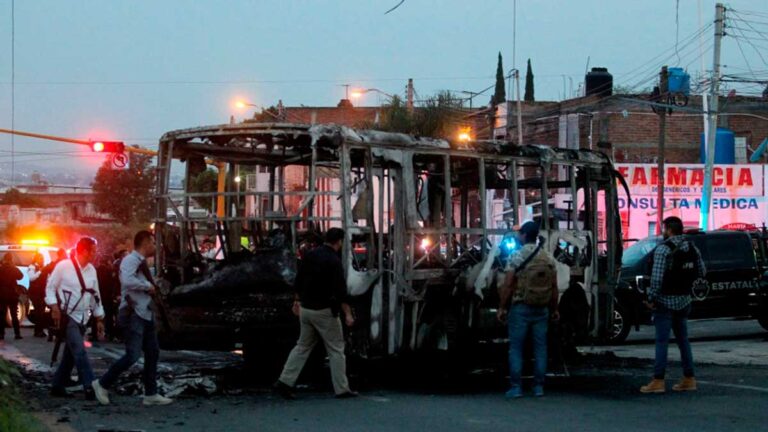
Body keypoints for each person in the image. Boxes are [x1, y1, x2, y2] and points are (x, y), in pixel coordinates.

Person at [274, 228, 357, 399]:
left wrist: (296, 302)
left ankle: (284, 381)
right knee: (336, 349)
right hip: (324, 311)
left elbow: (299, 280)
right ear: (339, 241)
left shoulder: (310, 255)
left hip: (306, 309)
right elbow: (340, 291)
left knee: (302, 346)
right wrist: (348, 314)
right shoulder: (334, 261)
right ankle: (342, 388)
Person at [92, 231, 173, 406]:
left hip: (145, 312)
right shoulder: (130, 260)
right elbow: (127, 281)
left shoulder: (141, 263)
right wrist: (147, 286)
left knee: (153, 353)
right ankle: (102, 383)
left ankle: (150, 394)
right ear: (145, 243)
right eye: (152, 242)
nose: (154, 245)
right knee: (132, 355)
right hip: (133, 313)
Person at [640, 216, 706, 394]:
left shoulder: (663, 250)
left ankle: (658, 380)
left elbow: (657, 278)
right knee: (683, 340)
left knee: (662, 341)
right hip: (685, 300)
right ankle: (689, 378)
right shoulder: (692, 248)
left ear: (668, 229)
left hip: (665, 301)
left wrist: (651, 298)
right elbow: (702, 272)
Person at [497, 221, 559, 398]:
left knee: (516, 348)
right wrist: (554, 309)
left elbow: (508, 285)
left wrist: (502, 307)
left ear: (524, 235)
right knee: (540, 348)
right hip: (542, 309)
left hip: (520, 307)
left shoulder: (516, 257)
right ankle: (538, 387)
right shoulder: (548, 258)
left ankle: (516, 387)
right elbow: (554, 287)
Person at [46, 237, 105, 400]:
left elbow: (96, 294)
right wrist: (54, 306)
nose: (95, 254)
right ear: (84, 251)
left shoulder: (92, 270)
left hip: (83, 318)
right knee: (79, 351)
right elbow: (50, 288)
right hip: (68, 317)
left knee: (70, 355)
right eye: (93, 251)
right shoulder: (63, 267)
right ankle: (91, 386)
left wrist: (99, 317)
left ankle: (58, 385)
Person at [44, 249, 68, 342]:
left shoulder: (52, 264)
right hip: (61, 292)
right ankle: (60, 333)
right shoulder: (63, 265)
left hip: (54, 292)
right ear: (62, 254)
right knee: (62, 313)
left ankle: (52, 332)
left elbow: (45, 271)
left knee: (54, 313)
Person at [0, 253, 24, 341]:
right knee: (14, 315)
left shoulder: (1, 269)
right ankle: (17, 334)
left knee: (1, 315)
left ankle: (1, 334)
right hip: (12, 294)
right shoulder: (14, 269)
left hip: (2, 295)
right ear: (11, 260)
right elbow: (21, 276)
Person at [28, 253, 48, 338]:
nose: (42, 260)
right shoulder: (32, 267)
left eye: (42, 258)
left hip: (42, 292)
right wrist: (40, 271)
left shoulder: (42, 267)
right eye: (40, 258)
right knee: (38, 311)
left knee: (41, 311)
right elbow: (31, 278)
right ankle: (37, 331)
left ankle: (40, 330)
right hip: (35, 292)